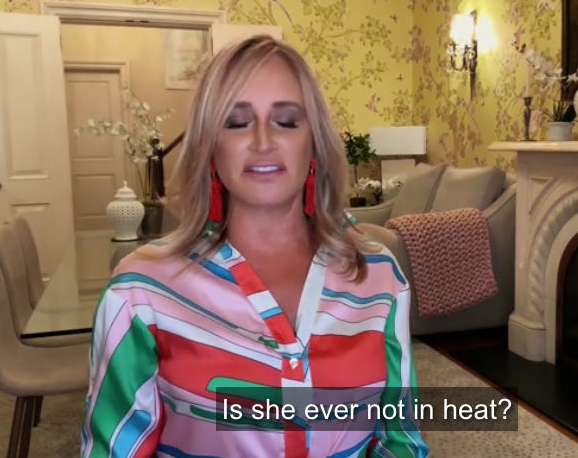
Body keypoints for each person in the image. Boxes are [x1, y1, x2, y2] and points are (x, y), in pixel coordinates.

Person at [80, 35, 429, 458]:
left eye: (286, 121)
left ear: (314, 143)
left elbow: (399, 438)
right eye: (236, 122)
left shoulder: (379, 274)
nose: (263, 141)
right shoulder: (139, 292)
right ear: (210, 147)